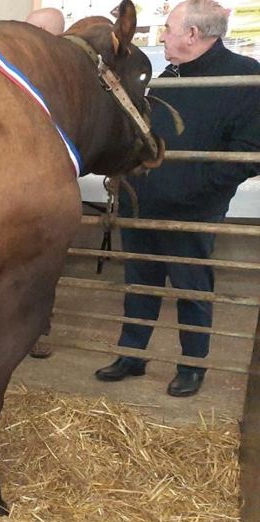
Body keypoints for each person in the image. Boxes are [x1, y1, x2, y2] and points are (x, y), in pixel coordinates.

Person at [94, 0, 260, 396]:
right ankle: (132, 354)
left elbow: (249, 153)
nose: (163, 36)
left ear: (192, 34)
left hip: (193, 209)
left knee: (191, 286)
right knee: (140, 281)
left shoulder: (246, 78)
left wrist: (194, 191)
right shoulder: (170, 75)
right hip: (142, 200)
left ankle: (192, 365)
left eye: (168, 29)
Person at [24, 6, 66, 359]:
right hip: (10, 182)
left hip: (46, 183)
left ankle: (37, 328)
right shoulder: (10, 64)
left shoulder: (66, 78)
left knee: (41, 262)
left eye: (39, 33)